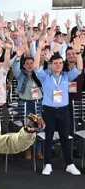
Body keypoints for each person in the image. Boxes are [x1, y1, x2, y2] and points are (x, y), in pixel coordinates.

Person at [33, 38, 82, 176]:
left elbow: (79, 68)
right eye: (56, 63)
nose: (59, 65)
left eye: (61, 63)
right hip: (48, 111)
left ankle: (70, 164)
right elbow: (36, 67)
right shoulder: (45, 77)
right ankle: (47, 164)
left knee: (65, 138)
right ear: (51, 65)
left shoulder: (66, 76)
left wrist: (78, 52)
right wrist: (39, 50)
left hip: (63, 111)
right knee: (48, 138)